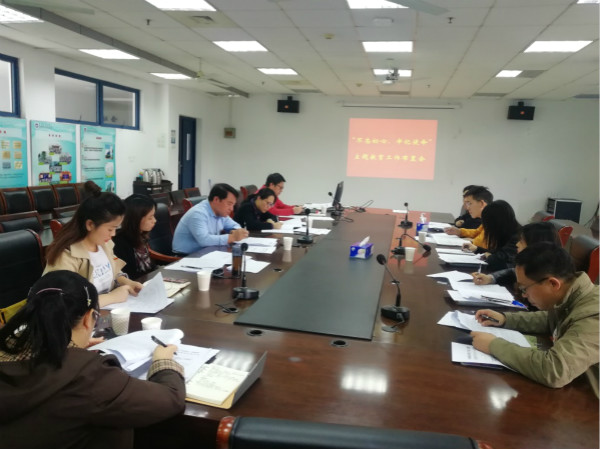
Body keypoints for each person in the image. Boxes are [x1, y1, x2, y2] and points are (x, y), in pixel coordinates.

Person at [0, 270, 185, 448]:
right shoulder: (85, 375)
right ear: (88, 318)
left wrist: (68, 347)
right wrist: (162, 362)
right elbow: (170, 399)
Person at [471, 243, 599, 388]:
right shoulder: (572, 297)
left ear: (553, 284)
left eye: (524, 288)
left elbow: (555, 370)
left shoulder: (594, 314)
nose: (524, 295)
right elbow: (548, 319)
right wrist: (505, 319)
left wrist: (493, 345)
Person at [44, 185, 143, 307]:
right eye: (110, 229)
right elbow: (64, 303)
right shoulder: (66, 256)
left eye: (116, 228)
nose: (113, 234)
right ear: (90, 224)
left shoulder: (104, 243)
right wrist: (111, 297)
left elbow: (113, 271)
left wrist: (127, 282)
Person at [472, 222, 561, 286]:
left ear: (535, 245)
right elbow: (513, 272)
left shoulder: (545, 277)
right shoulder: (529, 265)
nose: (517, 244)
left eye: (521, 242)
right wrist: (490, 278)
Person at [172, 183, 248, 254]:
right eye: (229, 204)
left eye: (233, 205)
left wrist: (237, 232)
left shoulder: (220, 212)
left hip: (207, 253)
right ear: (216, 200)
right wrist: (232, 237)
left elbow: (235, 226)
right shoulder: (198, 213)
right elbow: (204, 240)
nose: (231, 209)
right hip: (186, 257)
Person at [462, 200, 520, 272]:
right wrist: (477, 249)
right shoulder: (507, 232)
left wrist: (489, 256)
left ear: (496, 222)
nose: (487, 228)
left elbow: (499, 261)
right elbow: (496, 253)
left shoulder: (518, 237)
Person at [113, 194, 157, 279]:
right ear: (136, 219)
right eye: (150, 218)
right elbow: (128, 275)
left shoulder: (141, 236)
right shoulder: (119, 243)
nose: (154, 220)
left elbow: (149, 267)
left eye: (154, 216)